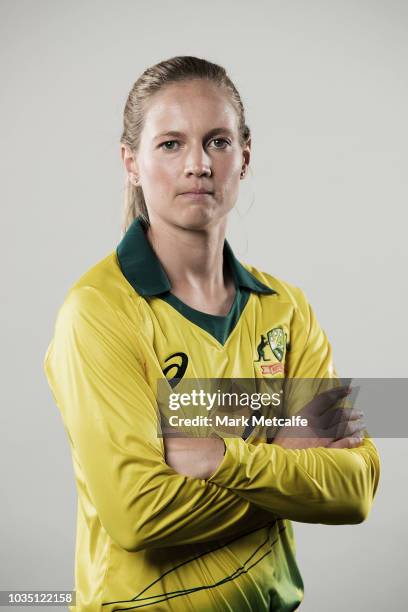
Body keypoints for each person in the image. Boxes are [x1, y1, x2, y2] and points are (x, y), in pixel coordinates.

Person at [43, 56, 380, 612]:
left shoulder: (286, 309)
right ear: (131, 162)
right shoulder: (96, 311)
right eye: (171, 144)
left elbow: (356, 487)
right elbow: (137, 512)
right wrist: (283, 450)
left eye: (217, 141)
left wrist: (221, 458)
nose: (198, 164)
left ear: (245, 157)